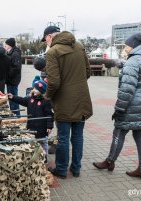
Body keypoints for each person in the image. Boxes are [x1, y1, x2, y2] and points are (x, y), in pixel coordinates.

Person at [93, 33, 141, 180]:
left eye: (127, 45)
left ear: (133, 45)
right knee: (140, 136)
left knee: (119, 132)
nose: (125, 47)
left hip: (132, 106)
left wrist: (119, 109)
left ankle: (109, 162)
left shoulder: (133, 61)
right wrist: (124, 66)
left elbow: (127, 90)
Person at [42, 26, 93, 178]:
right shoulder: (79, 46)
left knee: (63, 137)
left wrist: (47, 96)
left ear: (50, 36)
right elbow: (87, 72)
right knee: (78, 136)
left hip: (64, 101)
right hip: (82, 99)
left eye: (45, 39)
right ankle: (76, 168)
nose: (46, 42)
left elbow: (54, 82)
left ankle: (62, 169)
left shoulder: (52, 52)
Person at [8, 79, 54, 162]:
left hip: (42, 128)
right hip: (31, 126)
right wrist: (13, 97)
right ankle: (34, 157)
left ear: (42, 91)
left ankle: (44, 158)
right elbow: (22, 100)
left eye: (37, 89)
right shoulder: (30, 99)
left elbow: (49, 115)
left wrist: (49, 126)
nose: (34, 90)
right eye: (34, 88)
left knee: (43, 143)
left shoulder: (45, 102)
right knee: (32, 142)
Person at [4, 38, 22, 115]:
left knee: (13, 97)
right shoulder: (10, 53)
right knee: (11, 97)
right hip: (10, 80)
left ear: (9, 45)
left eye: (6, 45)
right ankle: (13, 113)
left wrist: (8, 74)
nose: (5, 46)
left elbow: (16, 68)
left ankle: (16, 115)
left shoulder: (15, 54)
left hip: (13, 80)